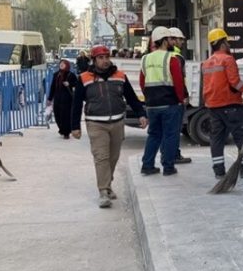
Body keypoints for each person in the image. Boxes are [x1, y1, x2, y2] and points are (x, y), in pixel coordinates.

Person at [71, 45, 147, 207]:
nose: (105, 61)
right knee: (101, 157)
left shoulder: (119, 76)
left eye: (106, 57)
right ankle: (103, 191)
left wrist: (141, 114)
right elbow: (76, 104)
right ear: (94, 60)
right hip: (96, 123)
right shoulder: (84, 78)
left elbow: (132, 98)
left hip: (117, 122)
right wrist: (74, 126)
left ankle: (108, 183)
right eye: (101, 58)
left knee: (113, 157)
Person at [201, 28, 243, 178]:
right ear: (223, 44)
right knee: (242, 137)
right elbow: (235, 83)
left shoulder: (206, 63)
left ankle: (219, 171)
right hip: (230, 105)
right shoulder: (228, 59)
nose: (229, 45)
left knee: (217, 139)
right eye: (227, 42)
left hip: (213, 106)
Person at [139, 27, 187, 176]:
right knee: (170, 135)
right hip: (170, 103)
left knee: (153, 135)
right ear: (165, 41)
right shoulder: (170, 58)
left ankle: (147, 165)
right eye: (170, 39)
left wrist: (149, 98)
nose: (172, 41)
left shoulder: (145, 59)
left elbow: (142, 82)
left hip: (152, 105)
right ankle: (168, 166)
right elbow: (178, 82)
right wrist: (181, 99)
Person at [167, 27, 192, 165]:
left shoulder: (164, 55)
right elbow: (180, 79)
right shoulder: (177, 57)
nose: (182, 42)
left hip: (166, 96)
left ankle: (168, 155)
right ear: (173, 40)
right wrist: (184, 95)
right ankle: (174, 155)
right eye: (180, 39)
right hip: (176, 97)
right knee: (175, 129)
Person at [47, 59, 78, 139]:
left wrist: (69, 84)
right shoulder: (56, 74)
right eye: (60, 63)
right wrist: (50, 98)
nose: (61, 65)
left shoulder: (71, 75)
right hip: (57, 97)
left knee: (65, 115)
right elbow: (53, 87)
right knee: (57, 114)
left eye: (63, 64)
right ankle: (62, 129)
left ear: (67, 65)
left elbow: (77, 84)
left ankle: (66, 132)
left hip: (67, 98)